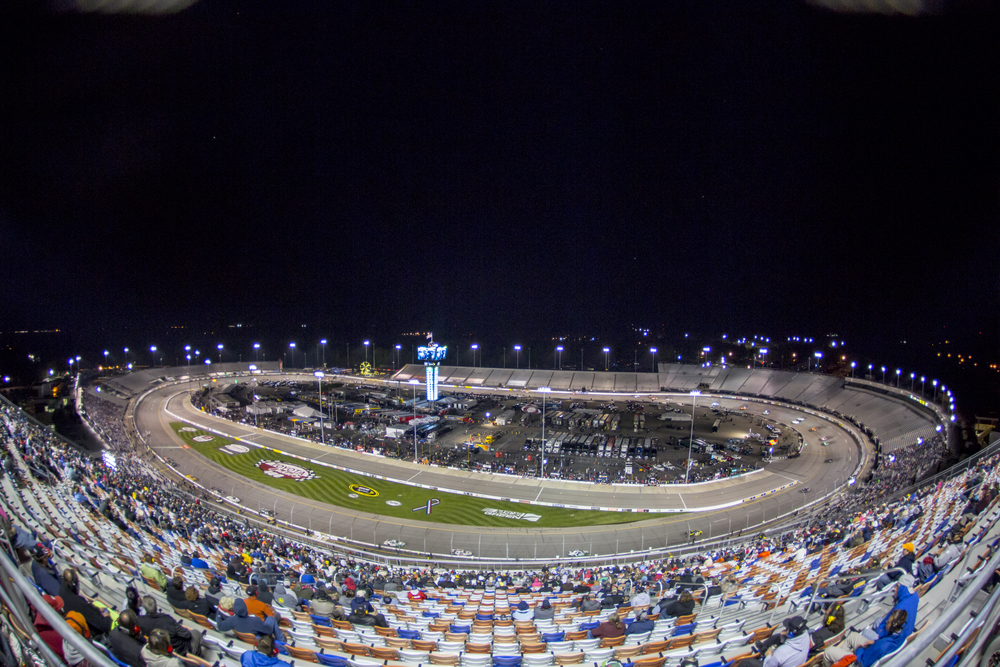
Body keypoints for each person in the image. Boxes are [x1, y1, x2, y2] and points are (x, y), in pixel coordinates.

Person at [822, 610, 907, 667]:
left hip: (859, 660)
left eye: (889, 621)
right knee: (853, 636)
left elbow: (861, 663)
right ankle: (841, 658)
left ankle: (840, 660)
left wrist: (860, 648)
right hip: (871, 650)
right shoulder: (899, 635)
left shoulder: (882, 646)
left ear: (893, 626)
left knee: (827, 652)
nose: (887, 621)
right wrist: (874, 642)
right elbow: (881, 643)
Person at [59, 568, 112, 637]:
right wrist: (107, 616)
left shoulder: (62, 589)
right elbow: (105, 626)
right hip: (94, 634)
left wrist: (96, 609)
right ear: (75, 585)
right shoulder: (79, 604)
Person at [743, 615, 812, 667]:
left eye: (787, 629)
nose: (785, 629)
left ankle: (762, 652)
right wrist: (784, 634)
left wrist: (769, 656)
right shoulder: (806, 636)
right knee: (778, 637)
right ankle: (762, 648)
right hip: (794, 661)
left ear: (791, 634)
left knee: (747, 662)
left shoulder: (782, 652)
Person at [216, 598, 286, 643]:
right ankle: (282, 641)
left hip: (247, 640)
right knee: (271, 619)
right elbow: (269, 631)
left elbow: (220, 626)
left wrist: (219, 611)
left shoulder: (231, 621)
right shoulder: (255, 621)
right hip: (260, 640)